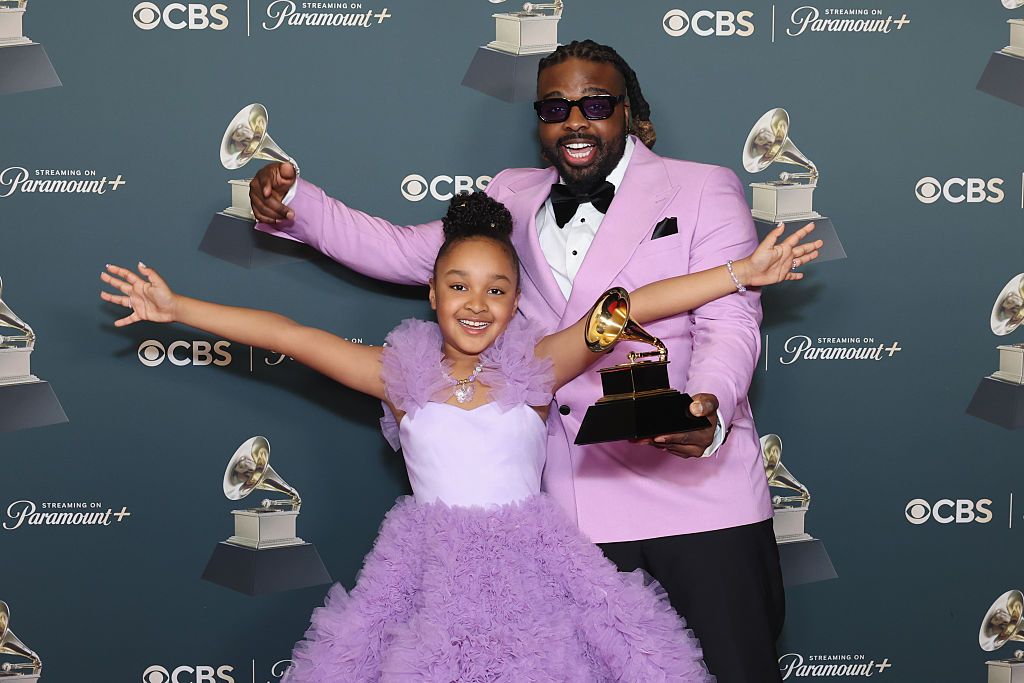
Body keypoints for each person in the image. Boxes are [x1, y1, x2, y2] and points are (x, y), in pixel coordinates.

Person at [102, 192, 819, 681]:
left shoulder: (540, 366)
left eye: (497, 289)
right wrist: (177, 308)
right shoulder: (397, 373)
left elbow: (624, 307)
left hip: (538, 565)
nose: (476, 304)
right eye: (458, 285)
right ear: (433, 291)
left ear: (515, 302)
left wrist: (740, 273)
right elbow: (291, 336)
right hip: (429, 570)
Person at [249, 39, 791, 682]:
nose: (575, 120)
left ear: (628, 112)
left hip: (701, 503)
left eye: (594, 103)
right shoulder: (510, 196)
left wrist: (709, 408)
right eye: (555, 106)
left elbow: (729, 320)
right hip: (573, 515)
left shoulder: (703, 188)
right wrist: (296, 203)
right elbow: (398, 250)